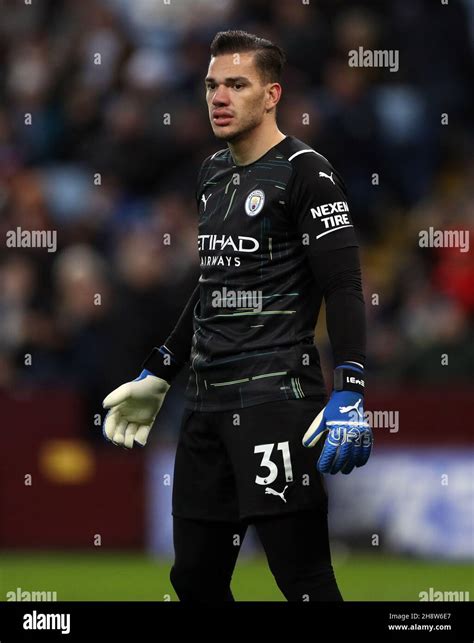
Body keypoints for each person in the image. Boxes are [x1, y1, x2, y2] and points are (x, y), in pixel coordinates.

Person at [102, 30, 373, 602]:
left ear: (272, 94)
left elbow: (345, 285)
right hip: (204, 408)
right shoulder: (212, 176)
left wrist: (350, 386)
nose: (218, 97)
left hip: (275, 403)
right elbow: (213, 287)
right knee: (194, 581)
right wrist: (159, 372)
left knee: (302, 580)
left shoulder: (307, 172)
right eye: (211, 85)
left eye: (236, 84)